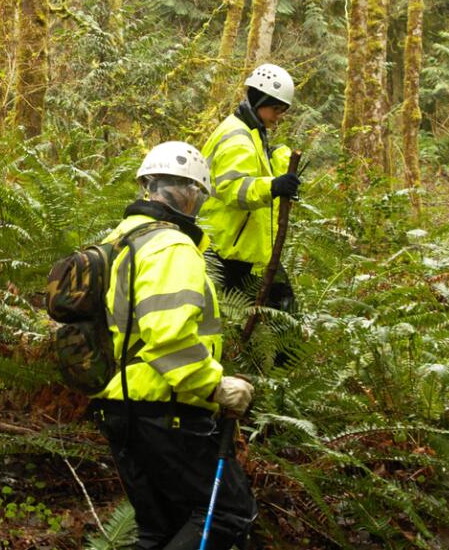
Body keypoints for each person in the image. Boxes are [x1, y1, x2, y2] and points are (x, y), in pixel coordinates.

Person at [89, 141, 258, 550]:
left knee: (160, 530)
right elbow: (169, 338)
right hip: (166, 408)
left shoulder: (119, 239)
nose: (195, 202)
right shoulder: (171, 247)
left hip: (120, 407)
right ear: (191, 194)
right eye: (196, 193)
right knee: (228, 513)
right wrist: (214, 387)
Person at [199, 64, 300, 312]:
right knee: (268, 316)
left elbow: (253, 171)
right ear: (260, 100)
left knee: (275, 312)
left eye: (282, 111)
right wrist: (274, 186)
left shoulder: (252, 131)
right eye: (275, 109)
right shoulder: (237, 138)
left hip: (243, 248)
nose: (278, 116)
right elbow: (234, 188)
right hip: (227, 250)